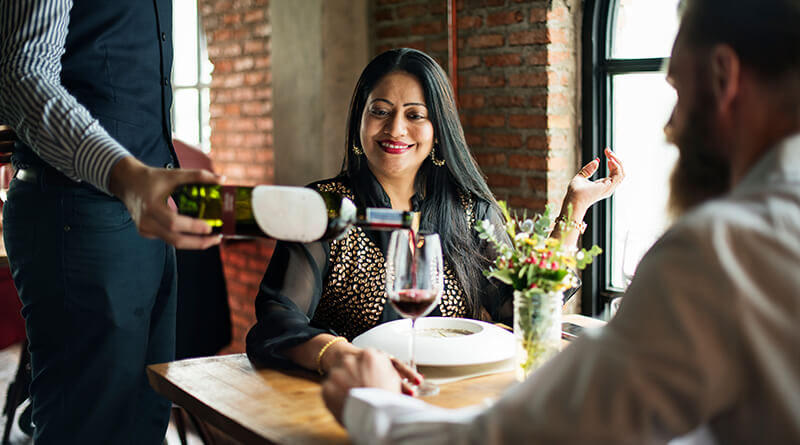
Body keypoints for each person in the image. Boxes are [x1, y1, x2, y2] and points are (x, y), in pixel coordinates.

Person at [321, 0, 800, 443]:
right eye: (380, 112)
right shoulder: (327, 205)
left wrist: (371, 409)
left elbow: (532, 429)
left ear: (723, 74)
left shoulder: (722, 246)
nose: (669, 125)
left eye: (676, 88)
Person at [245, 48, 624, 380]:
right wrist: (341, 355)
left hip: (458, 398)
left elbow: (526, 310)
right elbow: (278, 319)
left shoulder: (471, 209)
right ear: (360, 118)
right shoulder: (326, 207)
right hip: (354, 397)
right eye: (380, 111)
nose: (395, 129)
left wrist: (573, 210)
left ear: (437, 130)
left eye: (415, 115)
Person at [0, 1, 221, 444]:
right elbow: (23, 74)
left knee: (143, 417)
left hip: (136, 217)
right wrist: (125, 174)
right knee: (89, 429)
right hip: (77, 212)